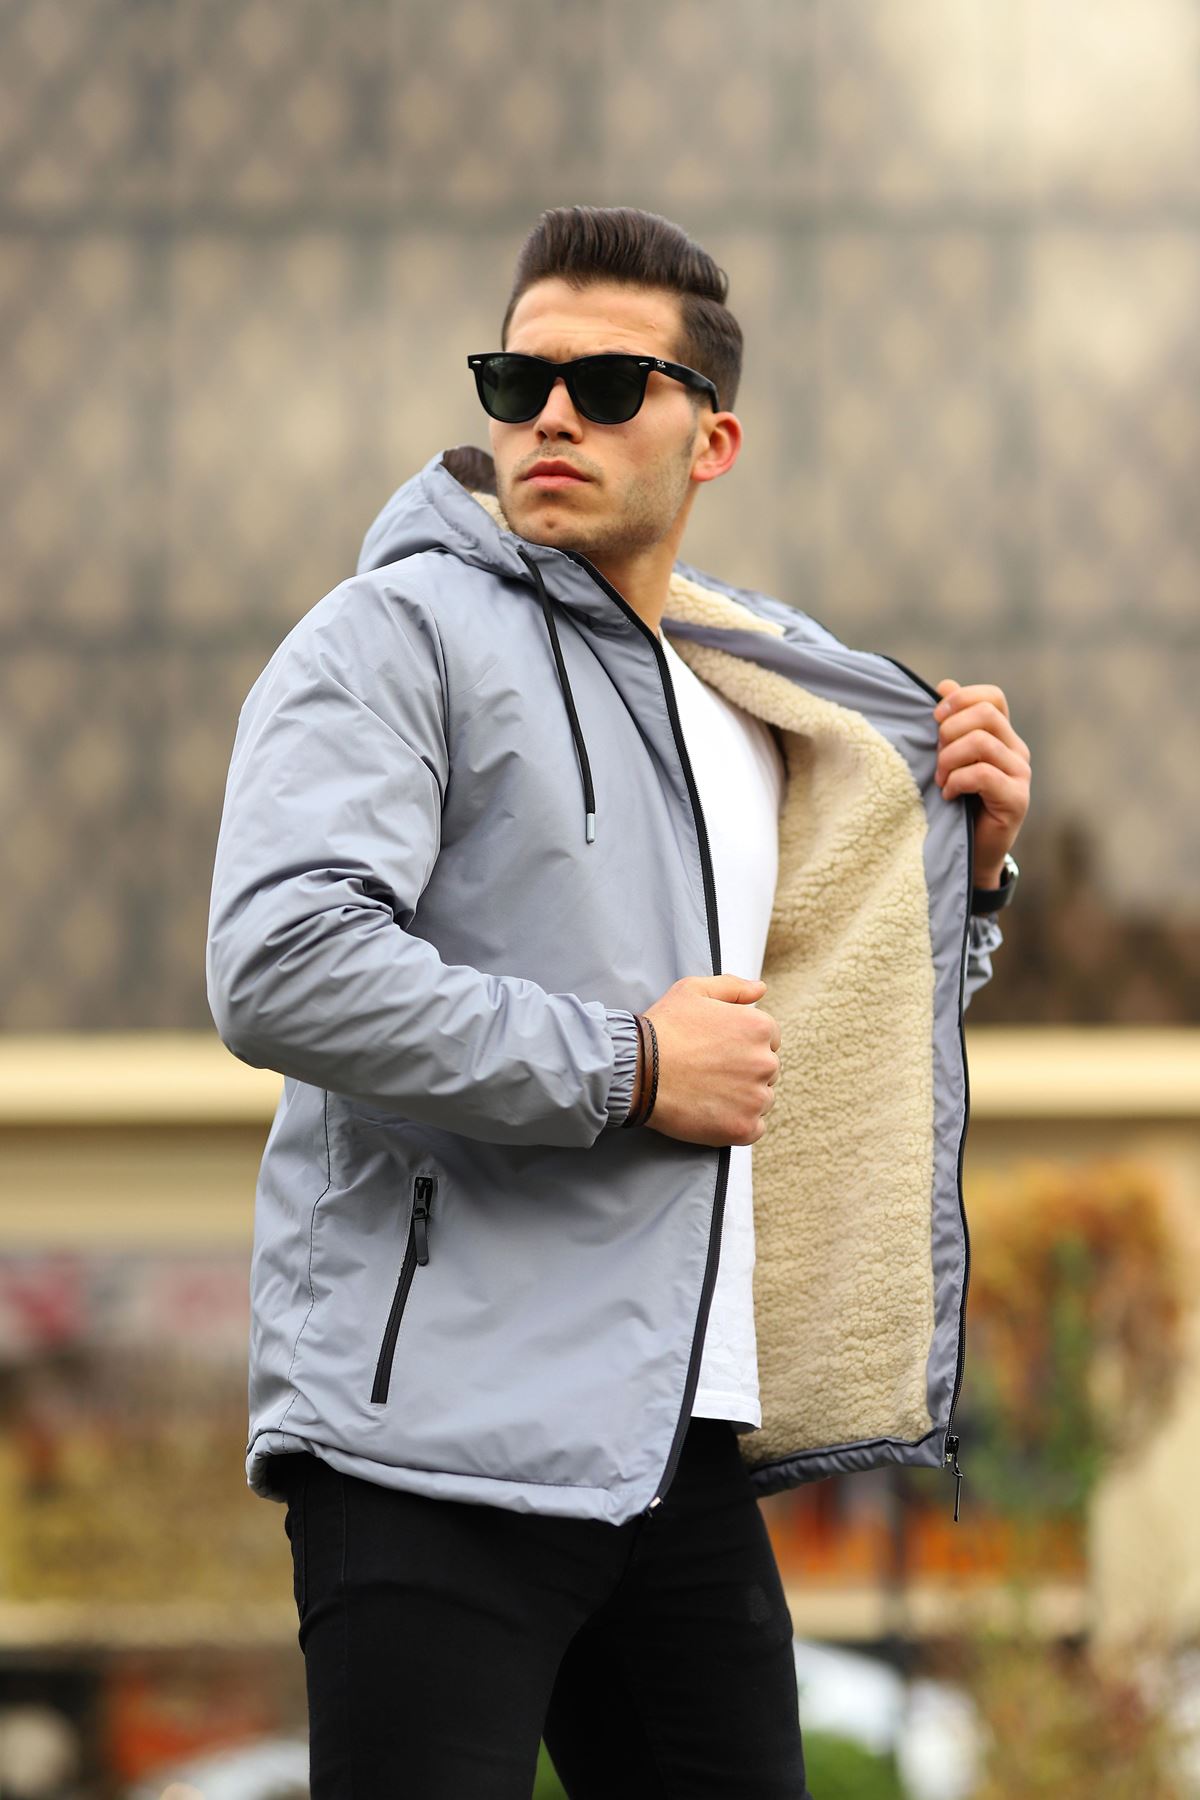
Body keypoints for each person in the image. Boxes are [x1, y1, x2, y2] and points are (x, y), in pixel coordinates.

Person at [206, 204, 1031, 1798]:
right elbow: (282, 962)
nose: (550, 419)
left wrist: (971, 881)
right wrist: (631, 1065)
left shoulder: (746, 687)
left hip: (676, 1445)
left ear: (714, 438)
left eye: (603, 385)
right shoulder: (389, 638)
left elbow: (815, 1038)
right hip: (430, 1440)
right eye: (518, 383)